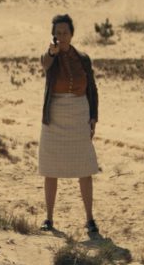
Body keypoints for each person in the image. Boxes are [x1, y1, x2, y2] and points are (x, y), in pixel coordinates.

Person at [37, 14, 101, 236]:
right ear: (53, 35)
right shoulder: (50, 56)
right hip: (55, 115)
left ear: (72, 34)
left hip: (79, 112)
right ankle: (49, 217)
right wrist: (52, 53)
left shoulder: (83, 58)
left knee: (85, 168)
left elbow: (92, 88)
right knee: (50, 168)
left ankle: (90, 218)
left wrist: (93, 116)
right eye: (58, 33)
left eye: (65, 32)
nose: (61, 36)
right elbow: (44, 63)